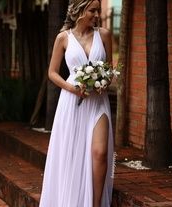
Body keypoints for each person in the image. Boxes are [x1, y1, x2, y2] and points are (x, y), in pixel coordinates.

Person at [39, 0, 115, 206]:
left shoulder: (105, 35)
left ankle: (96, 203)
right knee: (72, 153)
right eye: (92, 10)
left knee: (100, 153)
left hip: (98, 101)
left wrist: (103, 81)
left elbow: (110, 71)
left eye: (98, 10)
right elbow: (52, 73)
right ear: (79, 10)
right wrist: (72, 88)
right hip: (72, 101)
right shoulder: (63, 38)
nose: (97, 15)